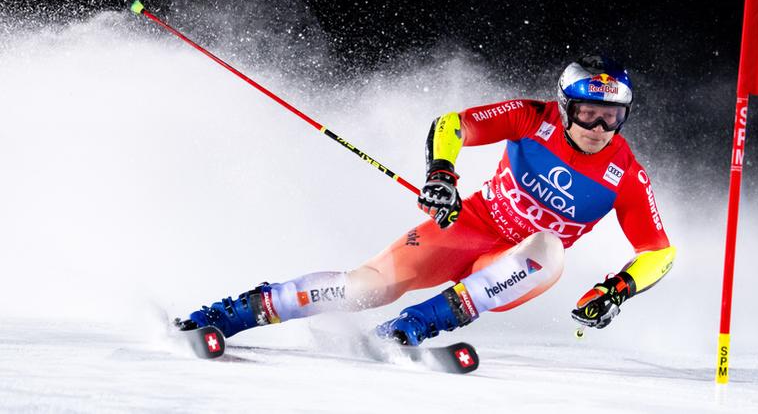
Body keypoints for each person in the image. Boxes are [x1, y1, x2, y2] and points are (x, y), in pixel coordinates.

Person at [180, 55, 676, 346]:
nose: (598, 129)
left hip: (514, 262)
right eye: (589, 115)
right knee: (366, 287)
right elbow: (452, 124)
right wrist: (442, 175)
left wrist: (617, 290)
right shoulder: (532, 116)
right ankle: (239, 312)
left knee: (549, 248)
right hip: (467, 227)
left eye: (612, 118)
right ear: (567, 107)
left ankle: (414, 327)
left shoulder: (623, 173)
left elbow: (660, 250)